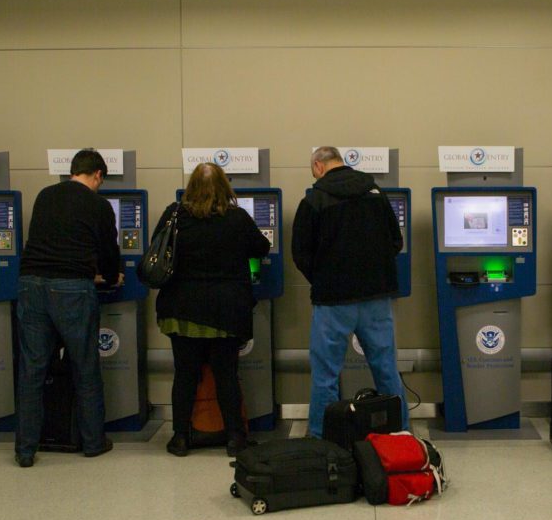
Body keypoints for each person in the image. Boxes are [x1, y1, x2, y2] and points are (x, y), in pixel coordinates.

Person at [292, 146, 409, 438]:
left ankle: (322, 437)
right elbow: (396, 241)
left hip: (333, 300)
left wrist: (323, 277)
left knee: (325, 375)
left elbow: (300, 253)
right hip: (376, 298)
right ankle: (399, 432)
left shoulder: (314, 200)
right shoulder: (376, 194)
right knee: (385, 368)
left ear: (318, 166)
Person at [156, 163, 271, 457]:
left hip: (182, 310)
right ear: (224, 187)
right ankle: (235, 437)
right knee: (226, 374)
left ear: (191, 186)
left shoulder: (175, 215)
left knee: (184, 374)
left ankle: (180, 437)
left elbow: (158, 249)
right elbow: (262, 247)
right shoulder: (237, 218)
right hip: (225, 311)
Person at [15, 149, 122, 467]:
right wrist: (109, 275)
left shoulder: (45, 195)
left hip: (31, 283)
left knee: (32, 370)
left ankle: (25, 450)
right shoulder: (99, 204)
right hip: (72, 289)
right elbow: (108, 250)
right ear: (98, 175)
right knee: (85, 366)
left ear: (72, 171)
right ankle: (93, 443)